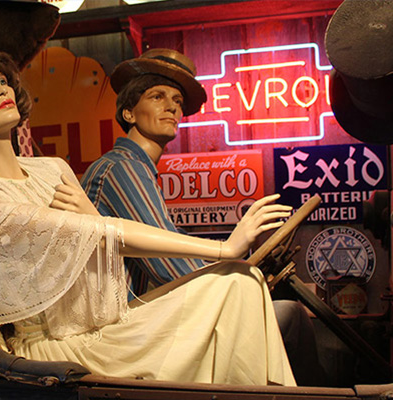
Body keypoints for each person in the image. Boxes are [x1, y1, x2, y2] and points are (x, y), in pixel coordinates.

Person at [0, 40, 296, 385]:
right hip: (58, 351)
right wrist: (225, 248)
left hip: (104, 327)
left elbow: (102, 238)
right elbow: (108, 234)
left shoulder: (52, 170)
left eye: (2, 80)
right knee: (237, 277)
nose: (1, 89)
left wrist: (93, 219)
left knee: (241, 282)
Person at [81, 49, 325, 386]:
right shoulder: (122, 168)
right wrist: (234, 257)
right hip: (114, 329)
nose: (172, 107)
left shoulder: (139, 171)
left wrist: (247, 258)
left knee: (276, 309)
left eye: (178, 101)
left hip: (129, 318)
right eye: (157, 96)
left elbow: (173, 243)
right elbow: (169, 268)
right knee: (288, 315)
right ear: (129, 112)